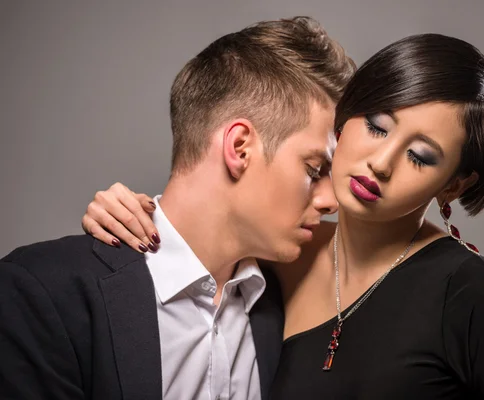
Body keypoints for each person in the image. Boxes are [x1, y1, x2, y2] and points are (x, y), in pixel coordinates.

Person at [85, 34, 484, 399]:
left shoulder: (472, 294)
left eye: (421, 157)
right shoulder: (277, 260)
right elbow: (203, 232)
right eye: (376, 126)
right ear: (344, 119)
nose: (381, 162)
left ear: (454, 184)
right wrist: (137, 211)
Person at [0, 17, 355, 400]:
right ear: (239, 148)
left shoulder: (286, 298)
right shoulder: (42, 292)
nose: (331, 200)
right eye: (314, 169)